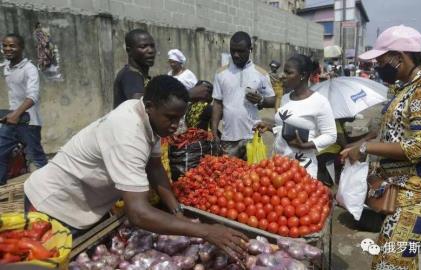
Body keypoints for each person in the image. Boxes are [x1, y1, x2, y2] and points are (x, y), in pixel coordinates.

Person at [24, 75, 248, 262]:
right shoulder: (127, 131)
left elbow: (155, 167)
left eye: (179, 119)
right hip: (53, 206)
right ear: (149, 106)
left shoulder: (145, 117)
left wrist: (178, 213)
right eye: (170, 117)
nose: (175, 125)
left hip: (84, 205)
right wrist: (206, 231)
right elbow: (138, 213)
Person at [341, 25, 421, 270]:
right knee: (399, 262)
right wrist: (359, 143)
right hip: (401, 191)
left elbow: (420, 147)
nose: (378, 67)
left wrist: (367, 148)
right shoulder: (402, 87)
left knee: (388, 264)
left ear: (399, 57)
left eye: (381, 61)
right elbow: (389, 131)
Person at [255, 54, 337, 178]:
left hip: (302, 169)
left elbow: (331, 135)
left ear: (303, 75)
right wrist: (270, 127)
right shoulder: (286, 98)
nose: (283, 75)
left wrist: (305, 145)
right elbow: (285, 127)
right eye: (284, 71)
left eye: (289, 73)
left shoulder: (319, 102)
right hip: (279, 164)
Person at [211, 31, 275, 159]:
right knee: (229, 177)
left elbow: (273, 100)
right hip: (228, 138)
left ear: (250, 50)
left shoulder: (260, 74)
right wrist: (214, 131)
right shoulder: (221, 73)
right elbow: (217, 104)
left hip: (252, 137)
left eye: (240, 51)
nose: (236, 55)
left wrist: (261, 100)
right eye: (233, 50)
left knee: (253, 176)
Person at [0, 33, 48, 185]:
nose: (8, 49)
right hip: (11, 121)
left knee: (37, 159)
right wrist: (11, 116)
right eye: (5, 46)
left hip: (29, 122)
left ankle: (50, 191)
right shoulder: (7, 67)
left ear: (21, 48)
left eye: (12, 46)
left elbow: (33, 96)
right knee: (1, 153)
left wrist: (16, 115)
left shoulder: (30, 69)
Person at [113, 29, 156, 108]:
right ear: (129, 51)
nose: (151, 51)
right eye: (143, 46)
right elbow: (142, 107)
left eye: (152, 46)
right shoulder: (131, 76)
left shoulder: (140, 75)